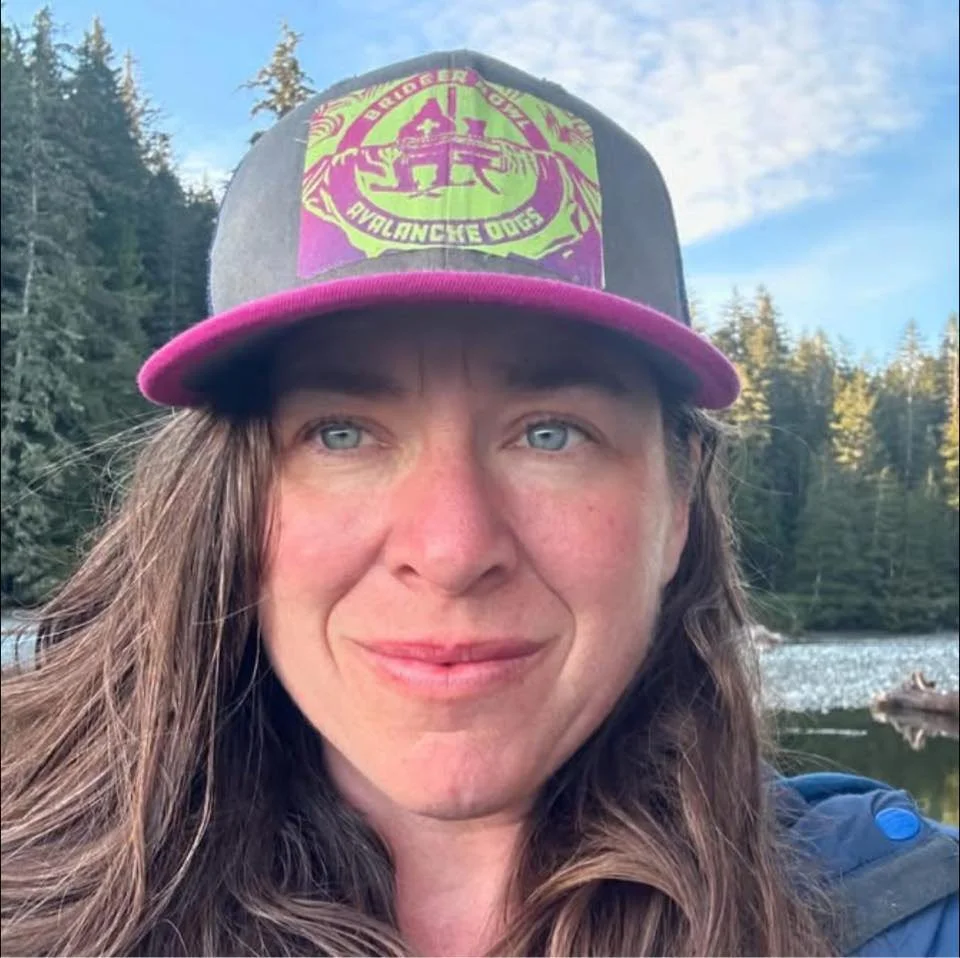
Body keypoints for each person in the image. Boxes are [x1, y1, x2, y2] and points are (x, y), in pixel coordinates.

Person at [1, 50, 956, 958]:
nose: (452, 547)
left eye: (552, 433)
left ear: (679, 511)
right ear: (229, 508)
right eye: (341, 433)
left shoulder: (890, 914)